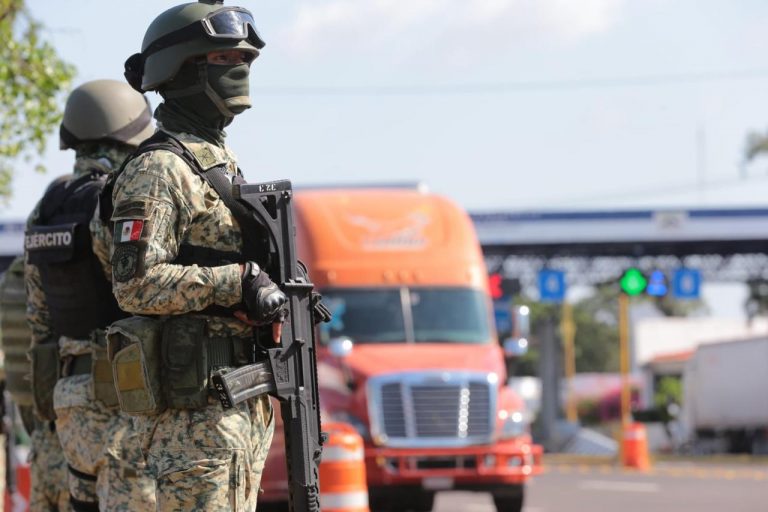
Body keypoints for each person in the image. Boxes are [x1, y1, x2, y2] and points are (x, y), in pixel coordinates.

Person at [110, 1, 286, 509]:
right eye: (226, 57)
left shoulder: (217, 162)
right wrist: (239, 281)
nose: (241, 69)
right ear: (182, 67)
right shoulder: (160, 169)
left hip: (235, 403)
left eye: (246, 59)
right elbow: (134, 283)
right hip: (194, 420)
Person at [24, 79, 156, 512]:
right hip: (122, 401)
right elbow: (141, 296)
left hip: (71, 403)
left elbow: (41, 320)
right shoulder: (113, 205)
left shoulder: (45, 209)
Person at [0, 256, 70, 511]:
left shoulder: (9, 280)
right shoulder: (44, 274)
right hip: (48, 393)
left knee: (40, 459)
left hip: (22, 394)